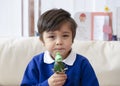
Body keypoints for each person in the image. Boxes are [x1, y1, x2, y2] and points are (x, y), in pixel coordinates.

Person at [21, 8, 99, 86]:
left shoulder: (82, 63)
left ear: (72, 39)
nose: (59, 42)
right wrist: (47, 84)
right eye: (52, 36)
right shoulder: (36, 63)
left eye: (65, 36)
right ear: (42, 41)